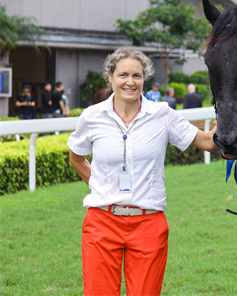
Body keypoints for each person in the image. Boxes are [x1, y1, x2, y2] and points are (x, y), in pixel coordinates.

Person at [67, 46, 218, 296]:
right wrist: (100, 185)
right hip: (102, 223)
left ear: (144, 78)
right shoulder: (92, 117)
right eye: (123, 75)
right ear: (110, 76)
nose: (130, 82)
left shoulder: (162, 115)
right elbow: (76, 157)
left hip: (148, 223)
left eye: (136, 76)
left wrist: (229, 118)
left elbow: (207, 142)